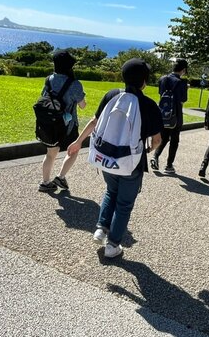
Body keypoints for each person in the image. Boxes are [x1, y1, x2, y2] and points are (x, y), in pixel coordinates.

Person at [67, 58, 163, 258]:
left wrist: (78, 142)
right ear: (144, 81)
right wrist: (148, 151)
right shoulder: (148, 104)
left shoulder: (112, 95)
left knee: (111, 191)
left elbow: (94, 122)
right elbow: (157, 140)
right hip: (130, 162)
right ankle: (112, 245)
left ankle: (101, 229)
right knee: (124, 204)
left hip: (106, 158)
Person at [38, 50, 86, 192]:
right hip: (69, 126)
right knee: (73, 151)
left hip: (50, 124)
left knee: (50, 154)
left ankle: (45, 182)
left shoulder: (49, 79)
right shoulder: (75, 84)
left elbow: (44, 97)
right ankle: (61, 176)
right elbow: (82, 105)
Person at [150, 59, 188, 174]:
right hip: (176, 115)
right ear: (183, 70)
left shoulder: (163, 79)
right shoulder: (181, 82)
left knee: (164, 137)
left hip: (162, 113)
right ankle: (169, 165)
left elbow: (161, 94)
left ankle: (155, 156)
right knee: (174, 141)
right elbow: (183, 99)